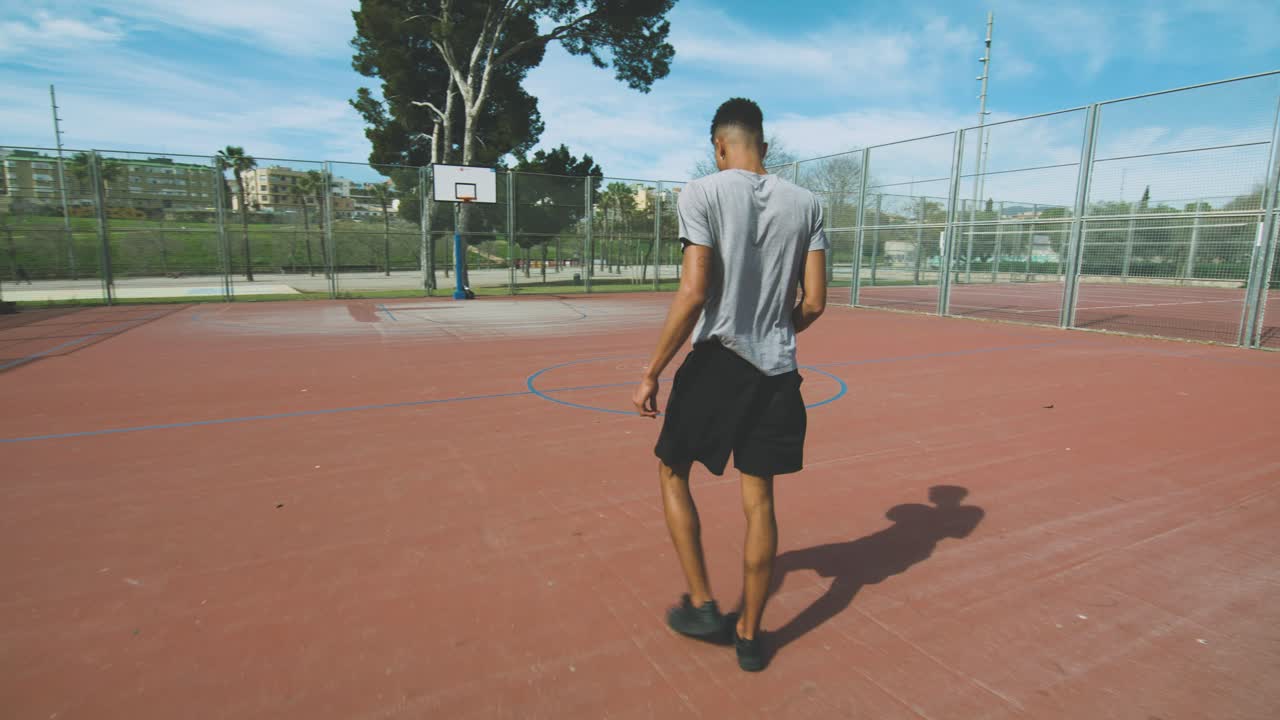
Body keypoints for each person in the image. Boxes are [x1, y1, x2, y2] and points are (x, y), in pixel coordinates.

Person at [631, 97, 828, 672]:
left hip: (719, 361)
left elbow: (695, 291)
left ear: (719, 146)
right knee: (759, 500)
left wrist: (652, 371)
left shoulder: (700, 192)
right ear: (763, 146)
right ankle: (748, 636)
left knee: (672, 469)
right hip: (777, 372)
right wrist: (774, 328)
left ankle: (702, 603)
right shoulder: (809, 203)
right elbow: (814, 302)